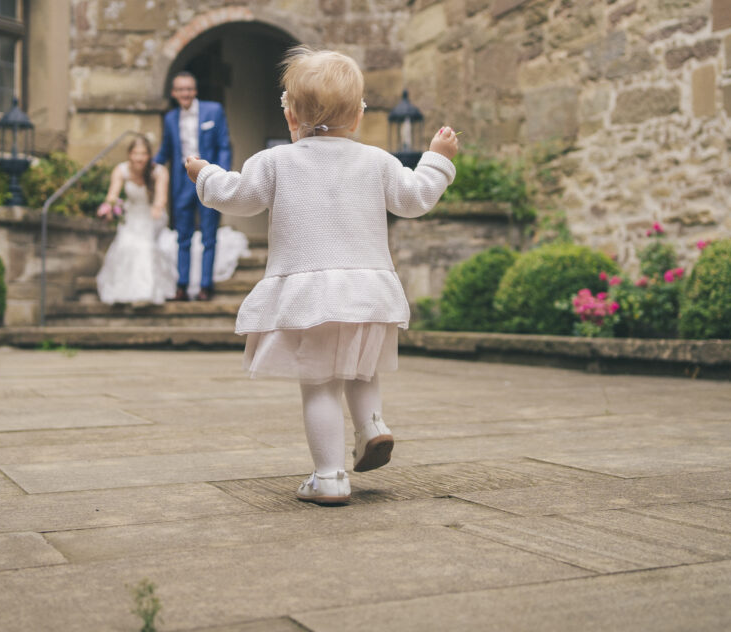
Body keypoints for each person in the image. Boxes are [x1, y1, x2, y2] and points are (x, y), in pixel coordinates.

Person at [185, 47, 459, 505]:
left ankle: (329, 478)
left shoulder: (274, 162)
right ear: (357, 118)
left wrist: (205, 173)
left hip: (309, 292)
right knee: (361, 365)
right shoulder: (377, 161)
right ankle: (372, 425)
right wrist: (436, 159)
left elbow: (238, 197)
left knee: (319, 383)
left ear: (291, 117)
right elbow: (414, 199)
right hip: (369, 290)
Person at [155, 71, 233, 301]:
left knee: (209, 235)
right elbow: (166, 150)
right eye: (180, 90)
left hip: (208, 179)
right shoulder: (170, 118)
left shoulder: (214, 111)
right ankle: (182, 285)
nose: (185, 93)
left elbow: (224, 146)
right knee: (183, 236)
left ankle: (206, 286)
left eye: (189, 89)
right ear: (174, 93)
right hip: (181, 183)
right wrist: (146, 167)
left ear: (195, 90)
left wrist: (222, 176)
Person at [95, 135, 176, 305]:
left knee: (144, 246)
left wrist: (157, 208)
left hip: (151, 215)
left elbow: (161, 197)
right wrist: (108, 208)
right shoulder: (121, 170)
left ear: (149, 155)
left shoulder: (159, 171)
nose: (139, 158)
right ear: (129, 154)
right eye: (135, 153)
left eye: (143, 153)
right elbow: (113, 195)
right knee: (125, 245)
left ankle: (145, 292)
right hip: (131, 215)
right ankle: (123, 292)